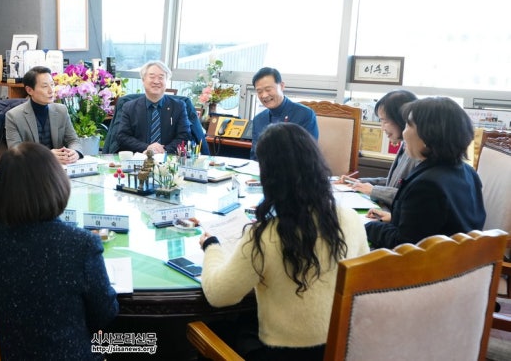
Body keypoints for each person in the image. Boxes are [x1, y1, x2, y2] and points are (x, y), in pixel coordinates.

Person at [200, 123, 369, 360]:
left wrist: (211, 247)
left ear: (269, 176)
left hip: (281, 354)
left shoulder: (265, 235)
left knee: (213, 330)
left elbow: (219, 295)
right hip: (340, 347)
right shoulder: (350, 219)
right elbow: (362, 283)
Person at [0, 142, 119, 360]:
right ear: (56, 184)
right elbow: (105, 314)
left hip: (0, 353)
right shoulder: (82, 244)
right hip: (68, 354)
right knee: (139, 344)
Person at [365, 97, 485, 249]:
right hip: (461, 259)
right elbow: (438, 224)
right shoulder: (468, 172)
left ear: (427, 135)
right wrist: (396, 218)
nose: (404, 133)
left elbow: (404, 245)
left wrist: (368, 227)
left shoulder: (426, 185)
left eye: (408, 125)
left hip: (429, 262)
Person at [340, 90, 418, 208]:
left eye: (385, 121)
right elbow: (393, 183)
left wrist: (373, 190)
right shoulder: (405, 144)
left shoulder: (418, 152)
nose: (382, 128)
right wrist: (360, 182)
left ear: (402, 120)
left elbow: (413, 197)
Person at [5, 66, 83, 165]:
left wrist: (75, 152)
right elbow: (15, 152)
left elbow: (73, 140)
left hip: (59, 168)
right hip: (31, 169)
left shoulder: (61, 110)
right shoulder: (13, 116)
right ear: (29, 90)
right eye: (45, 86)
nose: (51, 90)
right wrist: (46, 156)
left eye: (52, 85)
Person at [116, 60, 190, 155]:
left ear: (167, 81)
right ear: (143, 80)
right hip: (139, 158)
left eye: (161, 77)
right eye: (152, 77)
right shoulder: (129, 107)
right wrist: (147, 148)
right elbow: (122, 137)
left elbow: (184, 136)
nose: (156, 81)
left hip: (168, 158)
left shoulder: (178, 107)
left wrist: (164, 150)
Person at [248, 67, 318, 160]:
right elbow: (255, 156)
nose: (264, 95)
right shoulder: (258, 119)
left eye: (268, 89)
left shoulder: (304, 114)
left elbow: (307, 155)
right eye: (259, 91)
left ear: (281, 86)